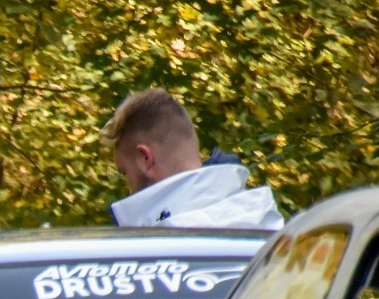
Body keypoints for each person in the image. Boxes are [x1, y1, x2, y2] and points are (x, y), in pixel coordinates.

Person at [102, 88, 282, 230]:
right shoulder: (269, 228)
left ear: (145, 158)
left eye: (125, 172)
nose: (130, 190)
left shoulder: (158, 249)